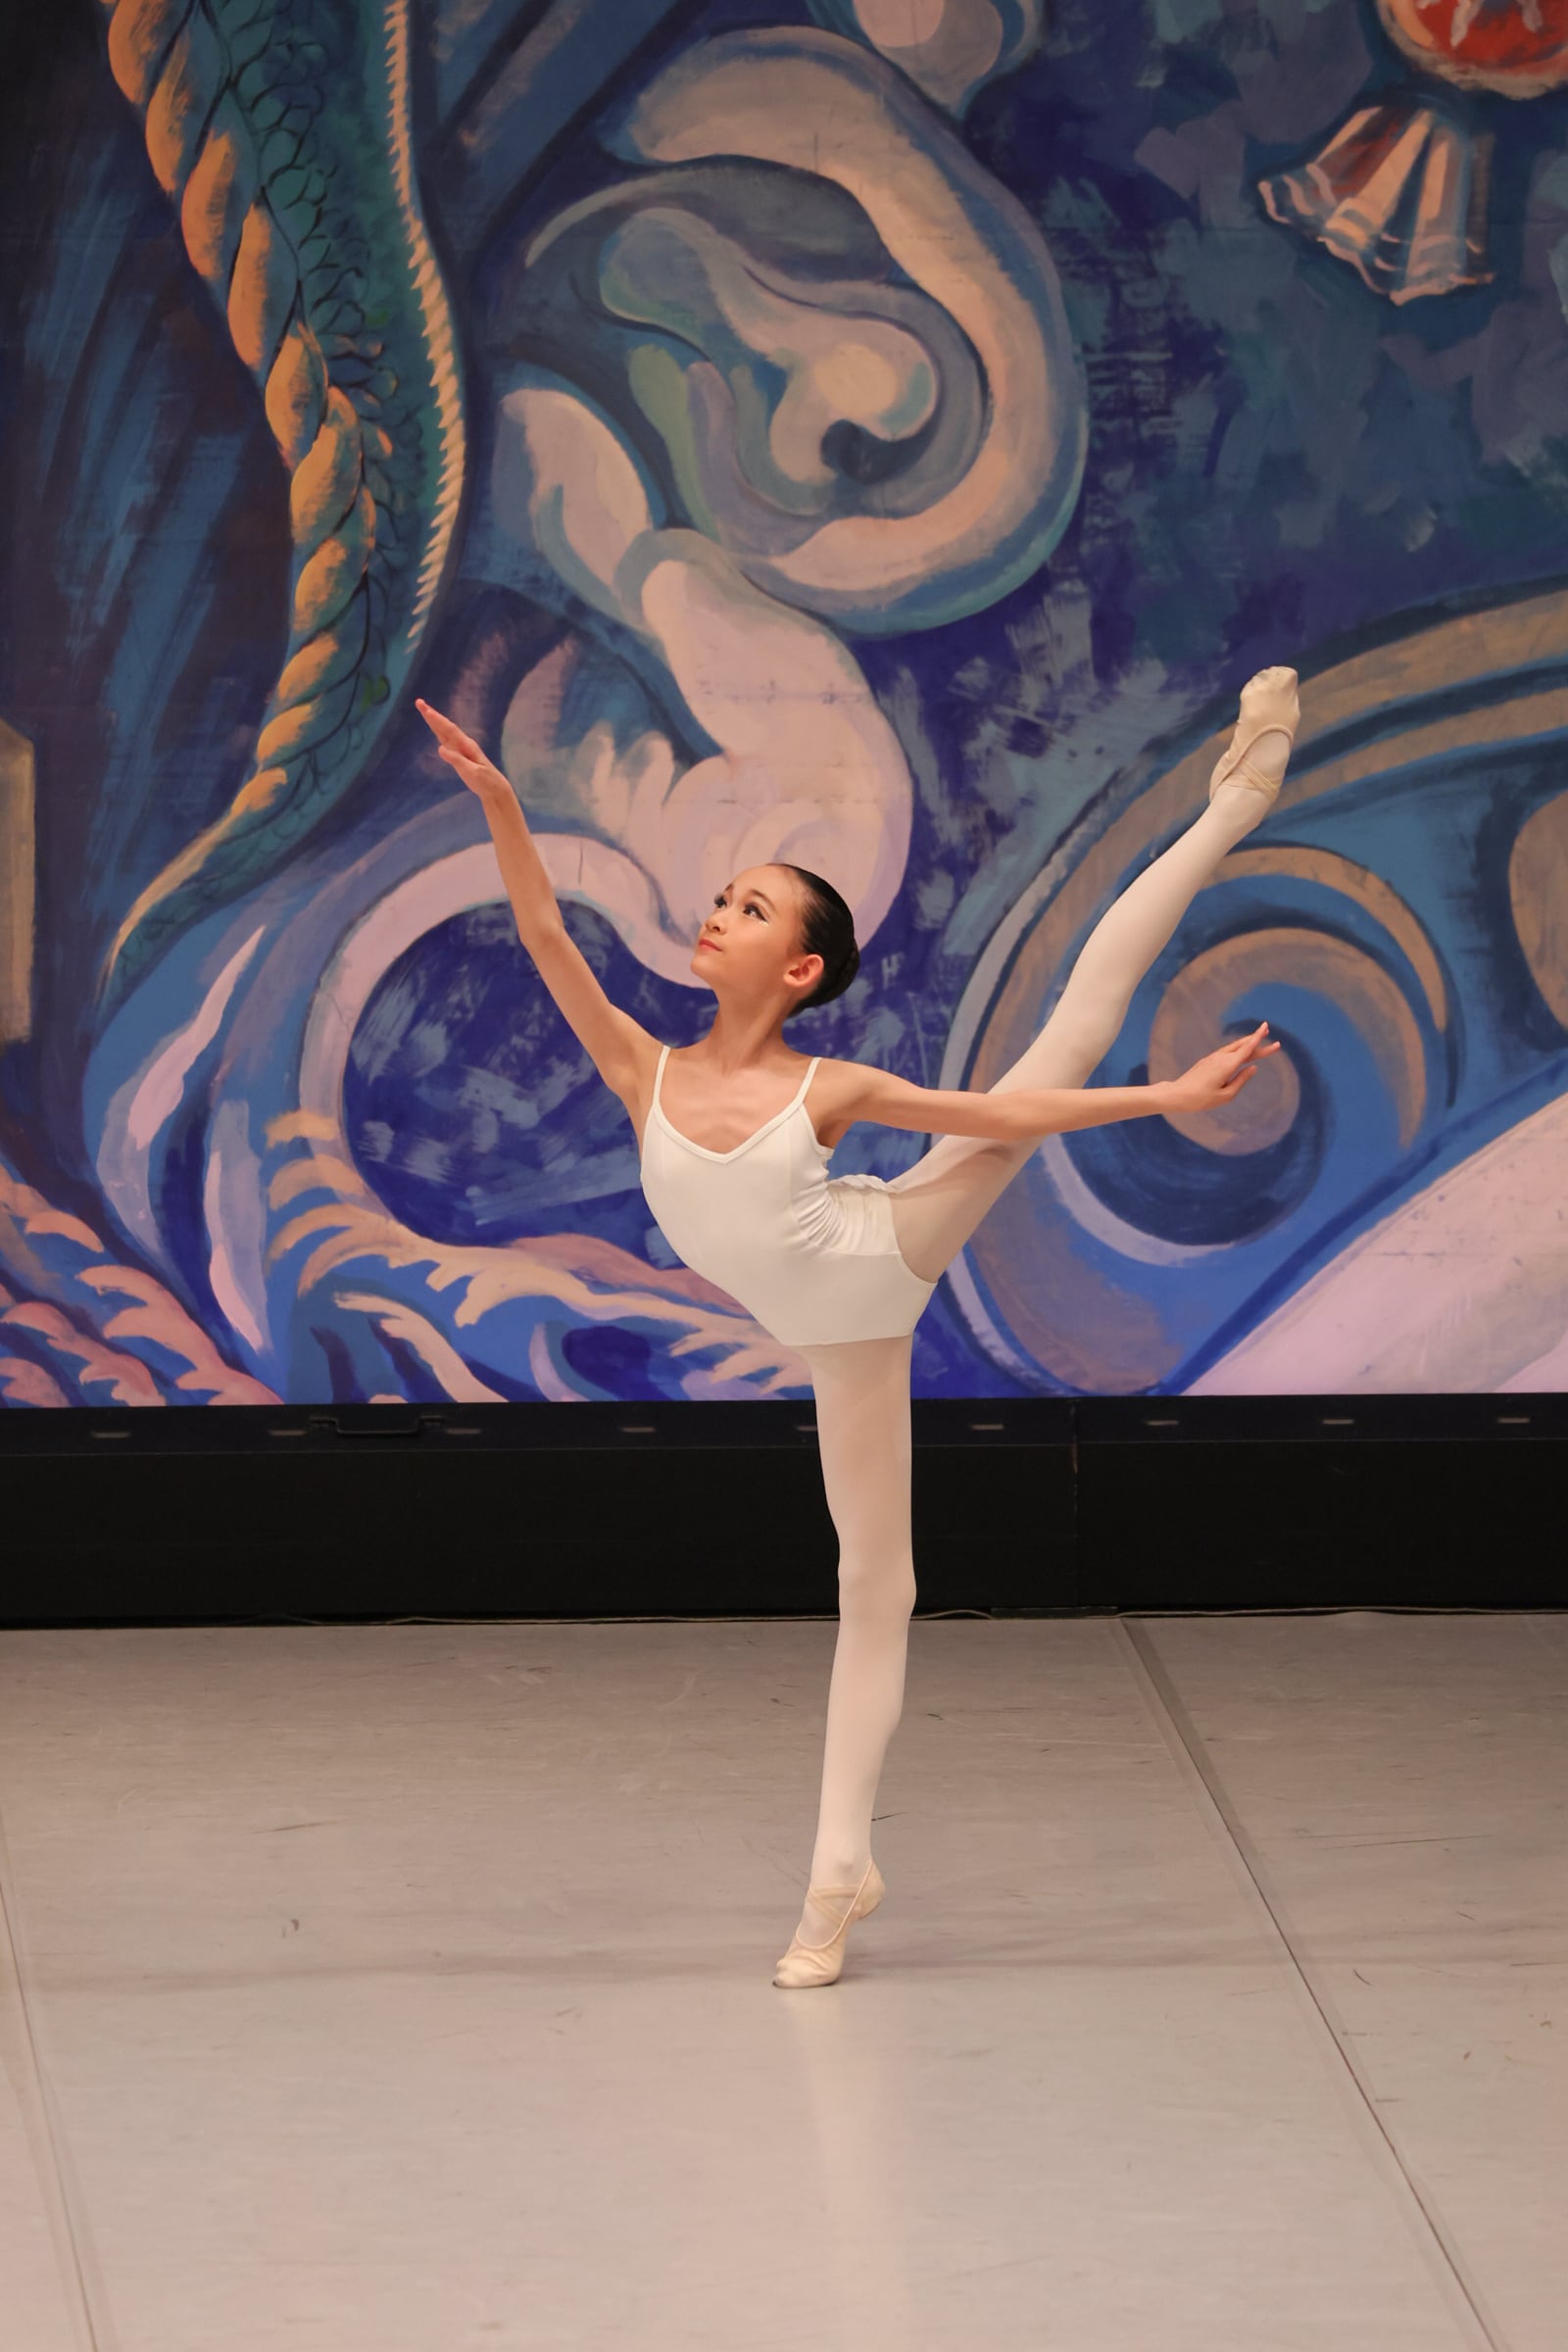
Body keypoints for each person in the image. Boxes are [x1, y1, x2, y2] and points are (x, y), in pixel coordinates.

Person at [415, 667, 1298, 1988]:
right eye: (725, 897)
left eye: (751, 908)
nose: (720, 913)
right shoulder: (641, 1068)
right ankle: (851, 1867)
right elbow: (544, 932)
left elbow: (1000, 1119)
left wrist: (1164, 1097)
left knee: (1062, 1042)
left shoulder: (828, 1087)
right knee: (875, 1585)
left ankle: (1231, 803)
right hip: (837, 1342)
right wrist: (499, 801)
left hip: (884, 1252)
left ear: (801, 969)